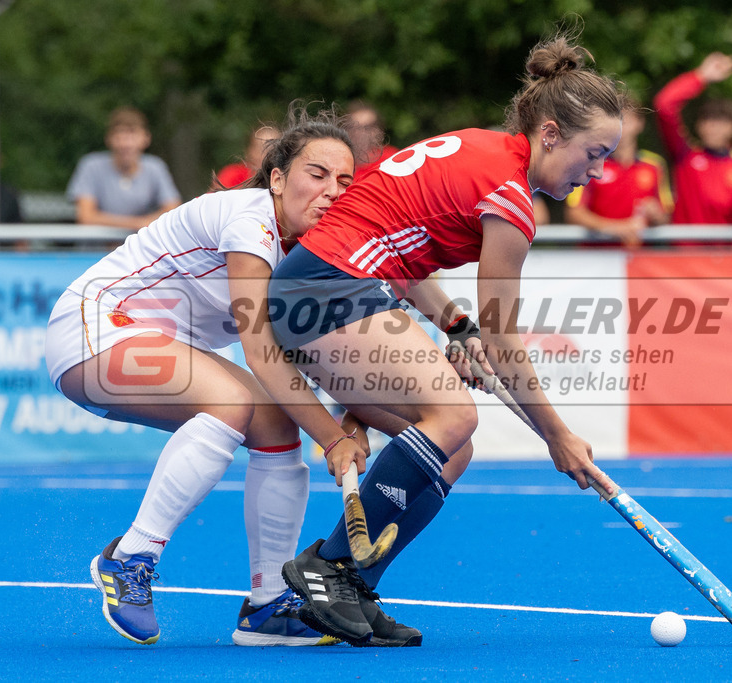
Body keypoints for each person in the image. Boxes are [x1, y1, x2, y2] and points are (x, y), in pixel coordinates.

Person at [250, 30, 621, 647]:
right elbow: (504, 345)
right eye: (594, 154)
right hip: (325, 289)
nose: (598, 172)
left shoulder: (485, 148)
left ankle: (356, 584)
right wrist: (559, 437)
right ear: (550, 133)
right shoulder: (512, 200)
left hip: (324, 288)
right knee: (454, 412)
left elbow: (400, 251)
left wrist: (456, 326)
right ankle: (328, 569)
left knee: (452, 448)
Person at [45, 105, 362, 647]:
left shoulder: (311, 252)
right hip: (94, 326)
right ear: (279, 178)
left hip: (161, 346)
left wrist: (351, 416)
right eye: (317, 174)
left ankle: (267, 607)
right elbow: (262, 352)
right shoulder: (251, 220)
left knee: (276, 428)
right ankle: (131, 557)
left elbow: (312, 354)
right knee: (233, 404)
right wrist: (332, 436)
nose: (333, 190)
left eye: (345, 181)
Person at [653, 52, 732, 225]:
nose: (713, 127)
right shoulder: (685, 155)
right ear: (699, 126)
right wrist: (701, 76)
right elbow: (664, 105)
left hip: (727, 252)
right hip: (686, 251)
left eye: (721, 121)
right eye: (707, 120)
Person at [564, 99, 672, 246]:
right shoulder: (590, 162)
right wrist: (616, 229)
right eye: (617, 118)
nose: (622, 125)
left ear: (640, 124)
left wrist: (657, 215)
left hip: (639, 260)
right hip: (596, 259)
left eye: (627, 118)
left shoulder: (654, 165)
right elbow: (574, 213)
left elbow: (667, 215)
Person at [67, 107, 182, 230]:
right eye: (119, 135)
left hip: (143, 247)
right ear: (108, 139)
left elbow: (173, 210)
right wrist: (139, 224)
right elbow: (86, 217)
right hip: (97, 247)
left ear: (146, 138)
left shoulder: (155, 167)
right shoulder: (91, 165)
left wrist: (140, 226)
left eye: (132, 134)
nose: (125, 143)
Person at [213, 125, 282, 189]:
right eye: (261, 148)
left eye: (273, 149)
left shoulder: (284, 179)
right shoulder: (232, 175)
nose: (267, 154)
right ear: (249, 151)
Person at [347, 100, 399, 178]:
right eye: (356, 127)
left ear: (379, 130)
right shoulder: (342, 163)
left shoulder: (392, 158)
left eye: (368, 127)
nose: (362, 132)